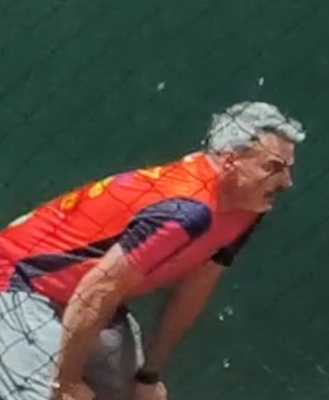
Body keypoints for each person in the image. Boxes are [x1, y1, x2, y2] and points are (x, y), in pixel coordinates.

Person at [0, 101, 305, 400]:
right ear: (230, 160)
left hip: (89, 298)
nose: (287, 182)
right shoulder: (185, 209)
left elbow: (197, 285)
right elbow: (97, 288)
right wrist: (64, 382)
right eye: (273, 168)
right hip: (19, 281)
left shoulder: (247, 206)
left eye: (288, 169)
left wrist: (150, 375)